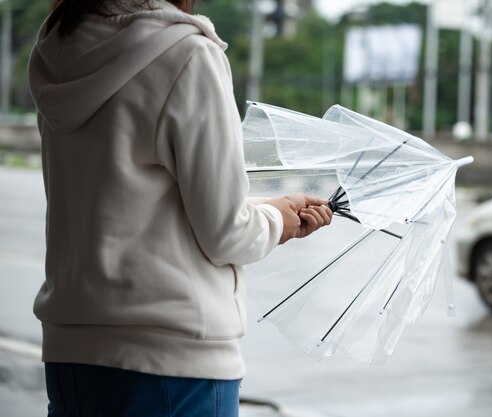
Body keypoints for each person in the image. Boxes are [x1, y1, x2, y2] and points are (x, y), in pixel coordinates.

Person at [27, 0, 332, 416]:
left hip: (70, 356)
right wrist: (280, 218)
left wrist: (268, 208)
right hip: (172, 362)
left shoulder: (56, 48)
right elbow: (228, 234)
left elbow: (137, 199)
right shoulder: (187, 54)